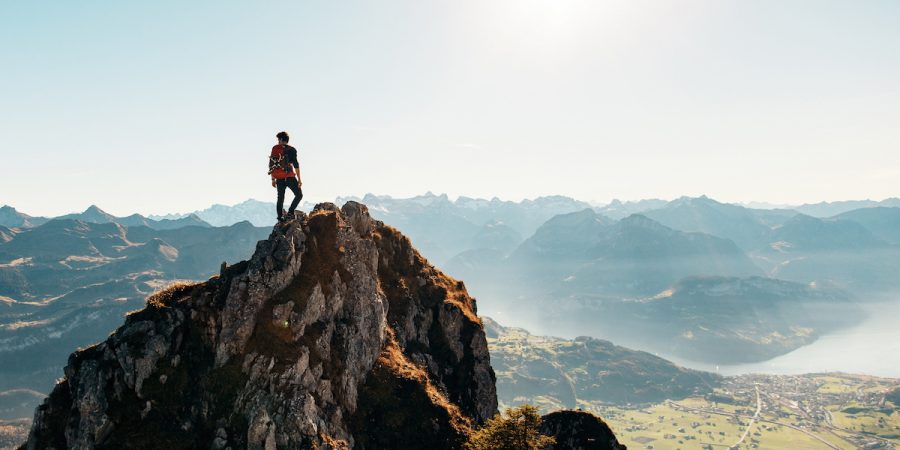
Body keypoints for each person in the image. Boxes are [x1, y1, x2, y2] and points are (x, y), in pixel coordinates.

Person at [268, 131, 303, 221]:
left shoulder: (274, 149)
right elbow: (296, 165)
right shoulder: (292, 149)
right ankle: (290, 212)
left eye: (278, 140)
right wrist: (299, 179)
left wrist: (273, 179)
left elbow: (271, 164)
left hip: (279, 178)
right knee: (299, 195)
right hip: (289, 176)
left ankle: (280, 217)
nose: (277, 142)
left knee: (280, 198)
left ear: (280, 139)